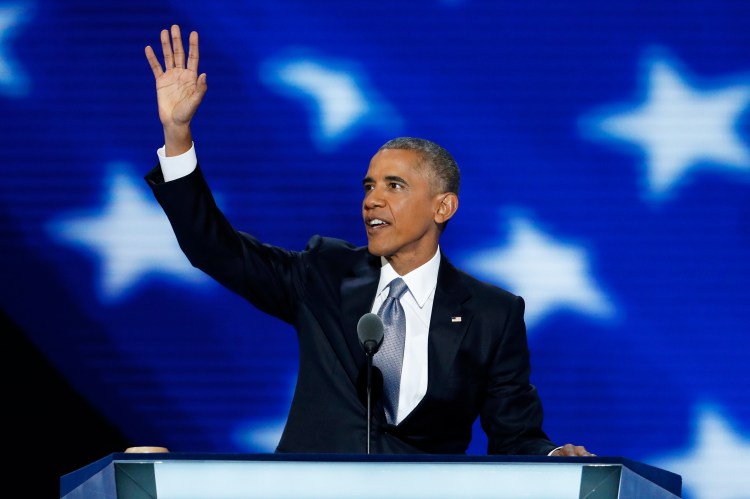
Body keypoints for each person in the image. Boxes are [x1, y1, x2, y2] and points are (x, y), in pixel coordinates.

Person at [144, 25, 593, 457]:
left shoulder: (493, 314)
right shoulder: (324, 272)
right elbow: (214, 248)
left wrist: (554, 456)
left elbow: (515, 435)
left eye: (394, 186)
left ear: (443, 207)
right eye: (368, 186)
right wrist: (177, 135)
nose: (372, 200)